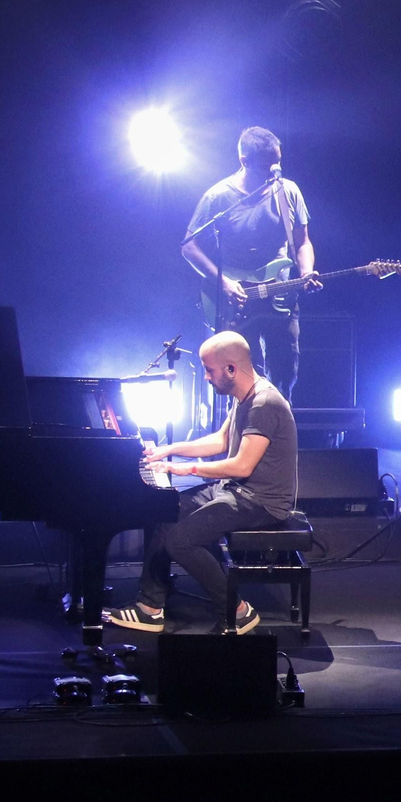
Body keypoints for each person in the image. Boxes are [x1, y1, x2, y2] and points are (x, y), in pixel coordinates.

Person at [106, 331, 299, 634]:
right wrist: (170, 449)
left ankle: (236, 610)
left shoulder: (265, 403)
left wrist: (187, 469)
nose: (207, 377)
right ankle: (149, 607)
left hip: (261, 501)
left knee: (181, 541)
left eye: (210, 370)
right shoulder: (245, 396)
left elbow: (242, 464)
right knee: (166, 509)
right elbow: (221, 440)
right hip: (236, 489)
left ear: (231, 369)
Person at [181, 126, 321, 424]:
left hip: (280, 296)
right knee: (242, 377)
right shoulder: (219, 196)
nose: (275, 169)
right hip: (238, 300)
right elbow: (189, 246)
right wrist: (222, 282)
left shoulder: (288, 192)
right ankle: (241, 441)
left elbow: (303, 242)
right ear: (244, 160)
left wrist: (306, 271)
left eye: (278, 161)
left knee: (284, 369)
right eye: (267, 163)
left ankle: (277, 436)